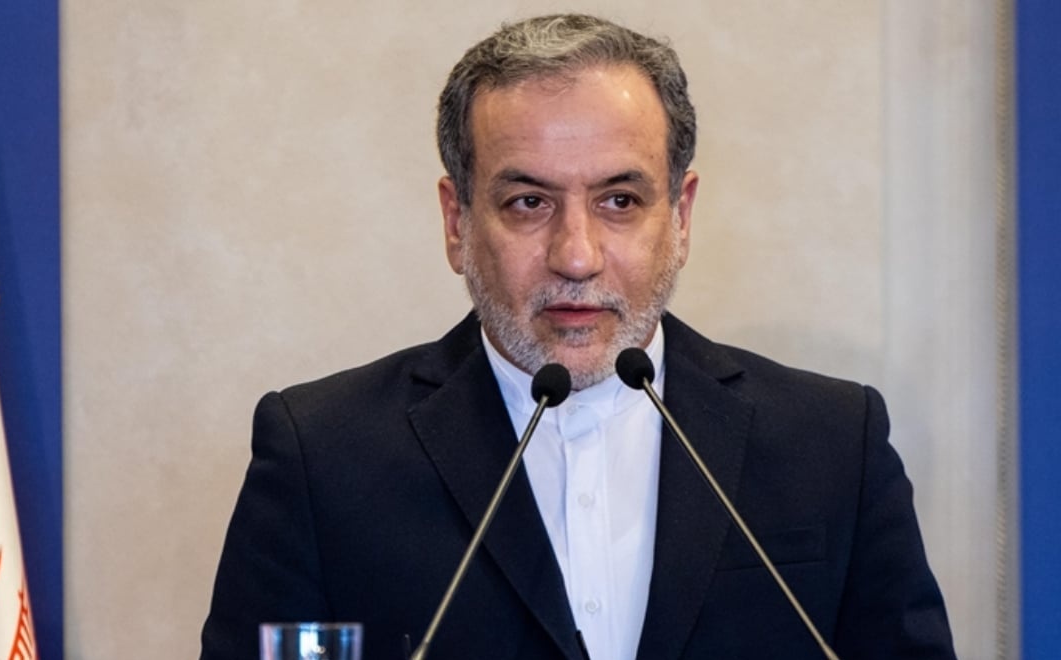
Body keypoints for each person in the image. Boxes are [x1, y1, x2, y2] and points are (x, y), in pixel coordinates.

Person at [200, 13, 955, 660]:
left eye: (619, 200)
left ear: (680, 217)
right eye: (528, 202)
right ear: (457, 222)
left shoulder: (834, 446)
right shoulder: (322, 458)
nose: (577, 255)